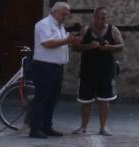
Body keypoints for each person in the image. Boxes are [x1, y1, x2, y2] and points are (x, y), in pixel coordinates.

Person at [28, 2, 81, 139]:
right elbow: (47, 43)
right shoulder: (43, 24)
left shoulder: (60, 26)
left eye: (67, 14)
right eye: (64, 13)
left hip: (57, 66)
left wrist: (71, 41)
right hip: (45, 66)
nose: (66, 16)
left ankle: (46, 126)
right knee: (42, 98)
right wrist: (67, 41)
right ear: (54, 12)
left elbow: (60, 43)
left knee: (52, 99)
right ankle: (35, 128)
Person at [73, 7, 124, 135]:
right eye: (99, 17)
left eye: (104, 17)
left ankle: (103, 128)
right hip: (87, 71)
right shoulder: (85, 30)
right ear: (94, 17)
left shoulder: (113, 30)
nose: (102, 20)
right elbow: (75, 46)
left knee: (104, 100)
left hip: (106, 72)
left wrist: (109, 48)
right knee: (86, 101)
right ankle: (83, 127)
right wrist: (89, 46)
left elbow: (121, 46)